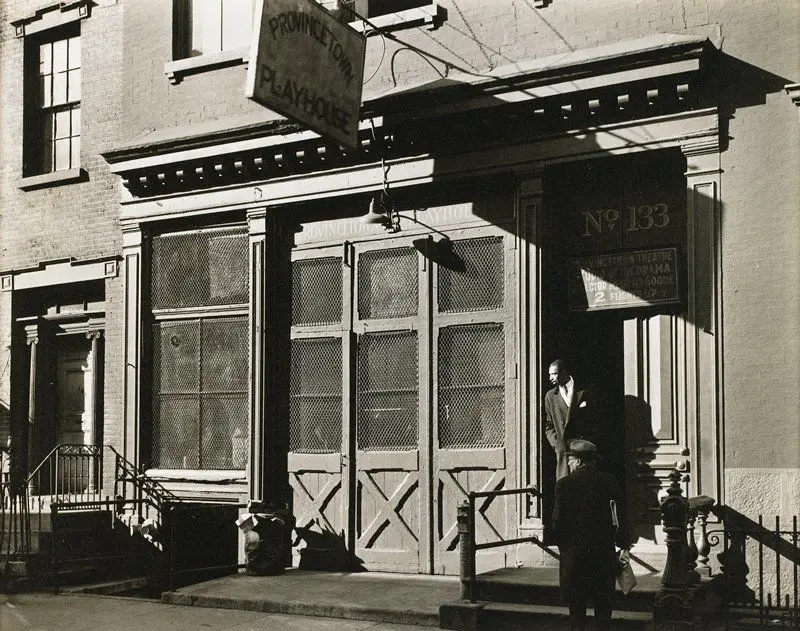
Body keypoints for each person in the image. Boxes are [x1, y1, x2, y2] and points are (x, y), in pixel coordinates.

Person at [553, 439, 631, 631]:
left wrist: (566, 548)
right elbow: (620, 518)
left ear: (578, 461)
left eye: (570, 460)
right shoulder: (609, 481)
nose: (569, 464)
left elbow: (557, 524)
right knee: (603, 613)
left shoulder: (564, 485)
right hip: (602, 556)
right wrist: (622, 545)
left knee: (576, 613)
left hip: (574, 559)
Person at [544, 358, 599, 480]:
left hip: (583, 453)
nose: (550, 378)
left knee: (584, 487)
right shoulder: (550, 396)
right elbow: (549, 425)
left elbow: (596, 420)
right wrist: (557, 444)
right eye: (549, 374)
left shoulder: (585, 391)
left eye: (554, 374)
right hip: (564, 452)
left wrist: (590, 443)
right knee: (565, 488)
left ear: (564, 372)